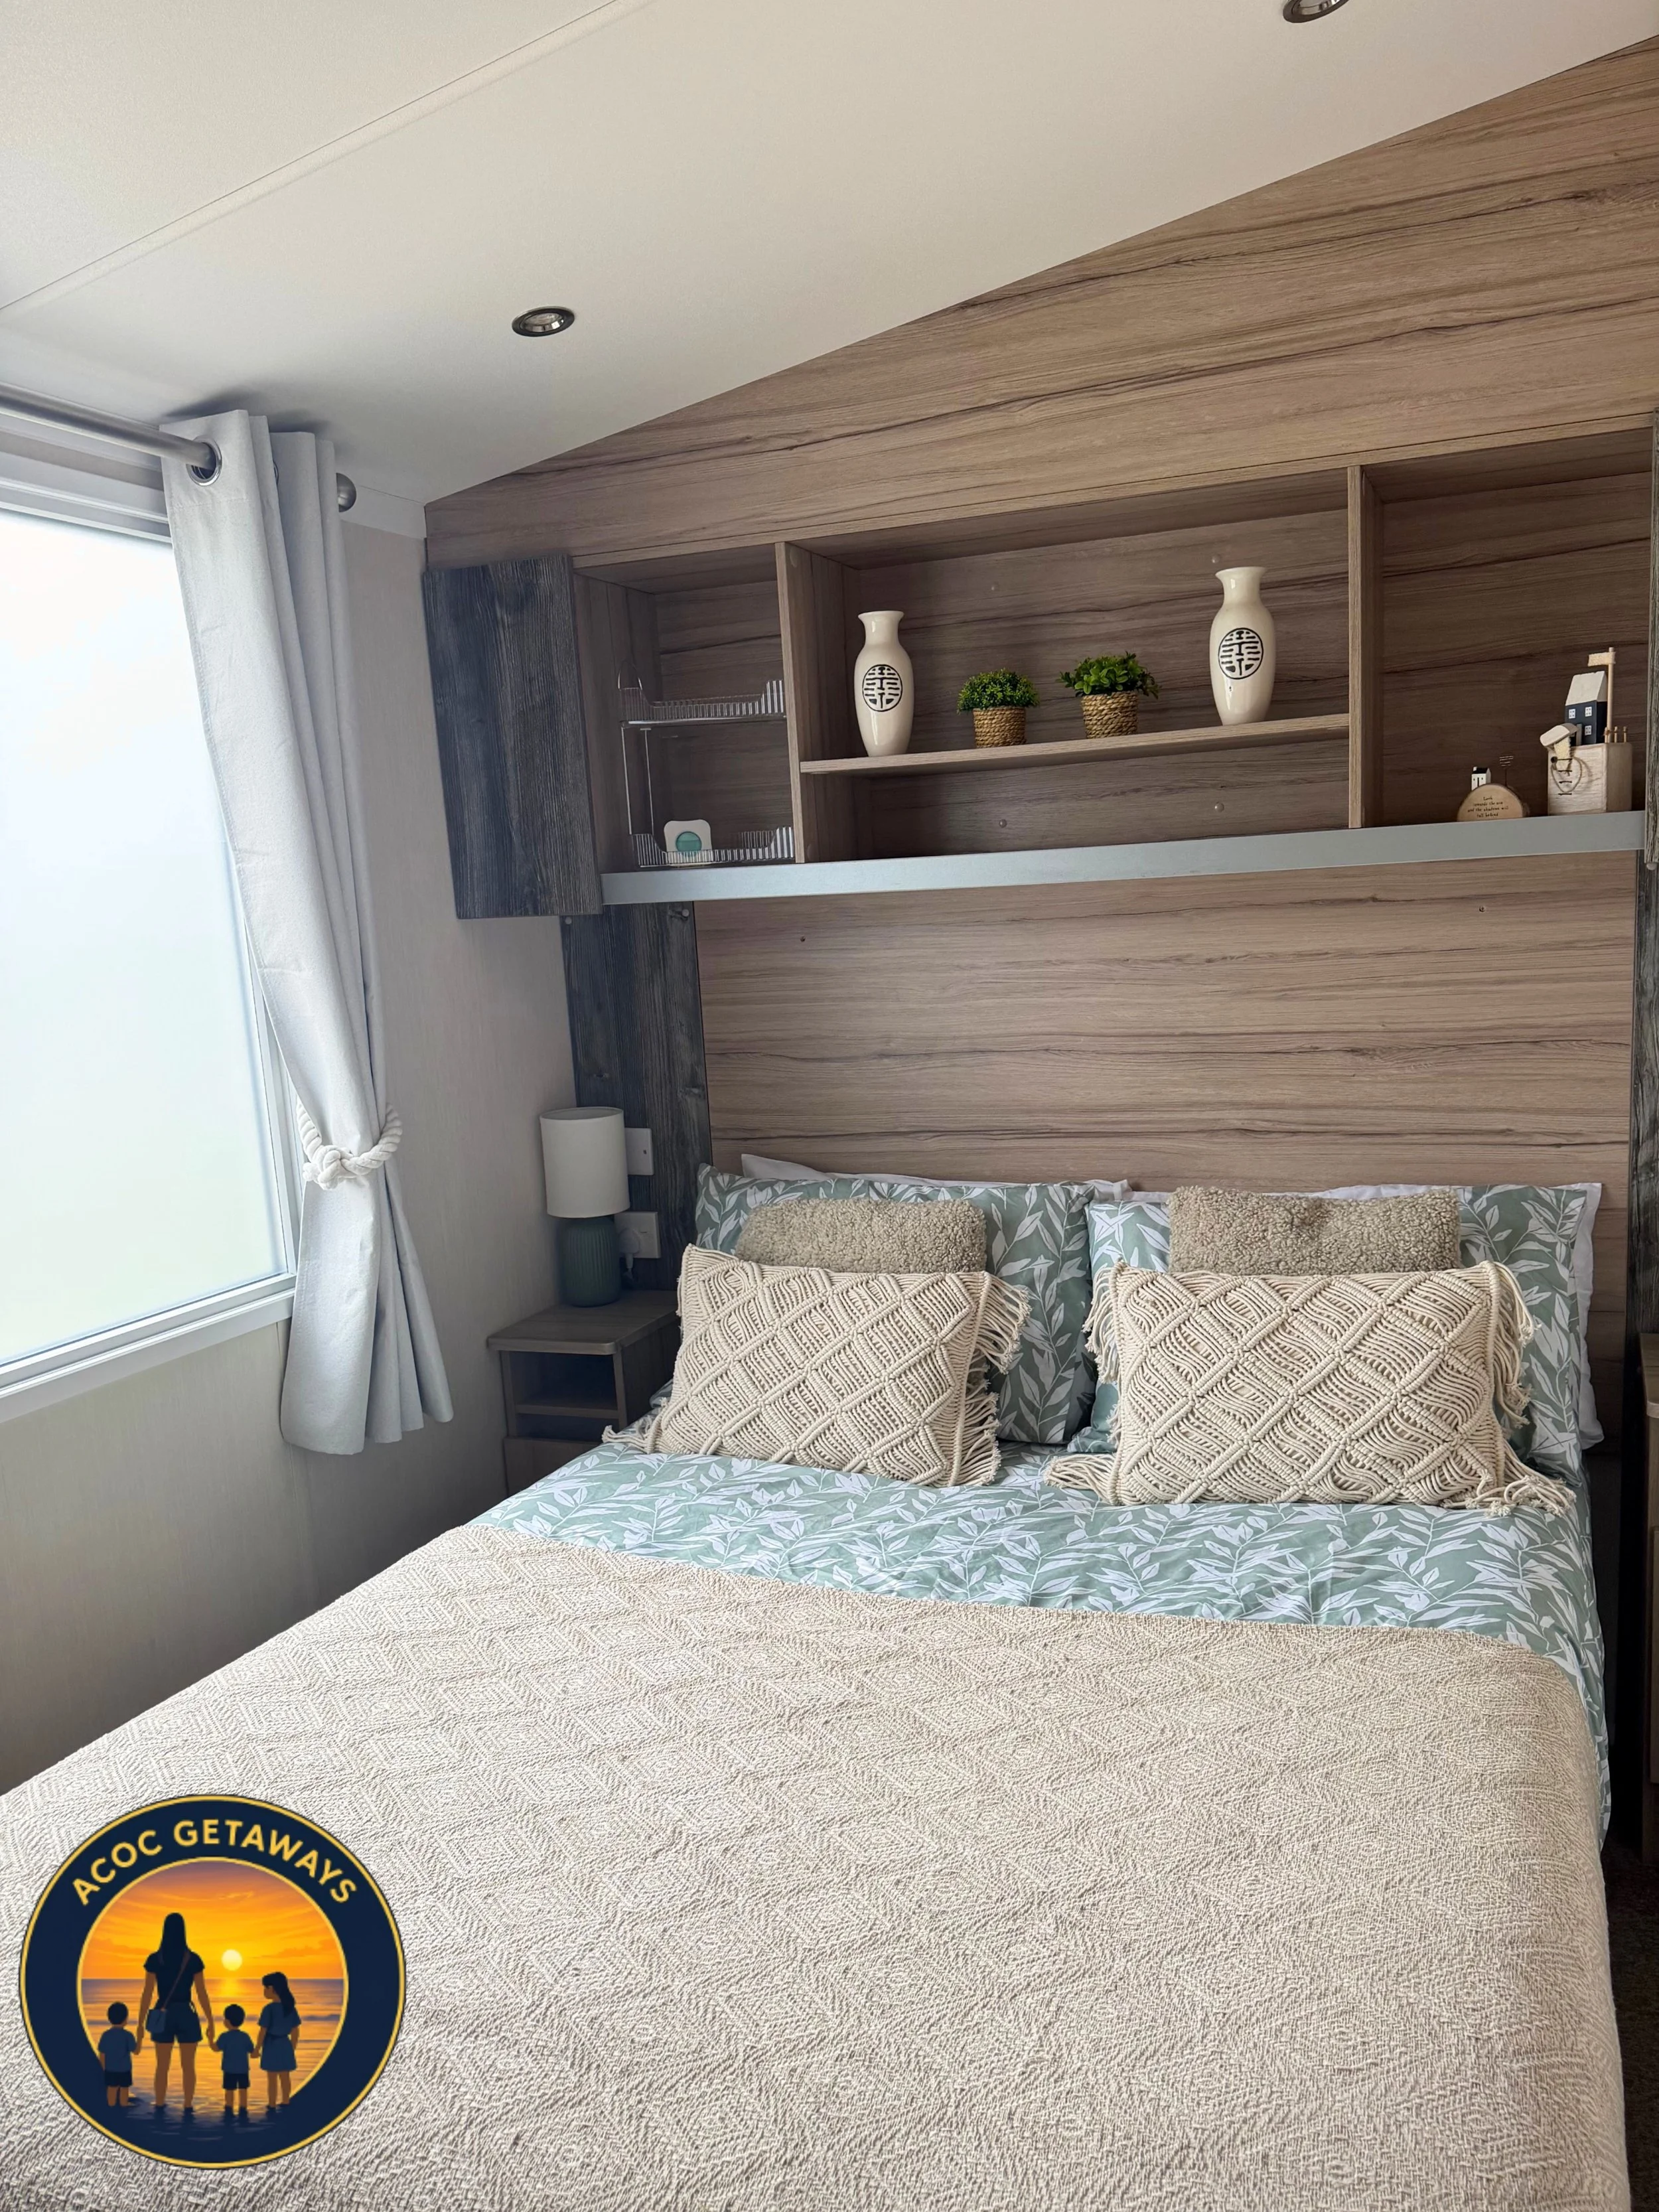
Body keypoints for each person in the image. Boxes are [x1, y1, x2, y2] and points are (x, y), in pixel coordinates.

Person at [136, 1911, 213, 2113]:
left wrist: (140, 2024)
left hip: (163, 2013)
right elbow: (202, 1993)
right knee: (188, 2066)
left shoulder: (156, 1959)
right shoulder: (193, 1959)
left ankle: (160, 2103)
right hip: (186, 2014)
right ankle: (188, 2105)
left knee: (162, 2065)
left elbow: (147, 1993)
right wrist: (211, 2021)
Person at [255, 1972, 300, 2113]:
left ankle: (272, 2104)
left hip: (272, 2044)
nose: (264, 1991)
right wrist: (292, 2046)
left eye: (266, 1987)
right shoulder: (290, 2008)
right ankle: (286, 2101)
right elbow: (295, 2030)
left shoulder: (269, 2009)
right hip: (285, 2044)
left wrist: (257, 2049)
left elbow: (262, 2031)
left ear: (273, 1989)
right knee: (285, 2076)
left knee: (272, 2078)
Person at [212, 2003, 255, 2117]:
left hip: (229, 2070)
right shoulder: (245, 2036)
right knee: (243, 2090)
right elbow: (252, 2050)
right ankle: (243, 2108)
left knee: (229, 2090)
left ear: (227, 2021)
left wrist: (210, 2039)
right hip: (243, 2070)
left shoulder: (224, 2036)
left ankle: (229, 2108)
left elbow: (216, 2048)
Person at [98, 2001, 137, 2110]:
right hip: (125, 2070)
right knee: (124, 2089)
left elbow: (102, 2054)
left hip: (110, 2069)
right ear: (126, 2019)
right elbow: (135, 2050)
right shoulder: (128, 2036)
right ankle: (124, 2105)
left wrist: (103, 2068)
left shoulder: (105, 2035)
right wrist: (139, 2038)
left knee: (111, 2089)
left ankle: (111, 2106)